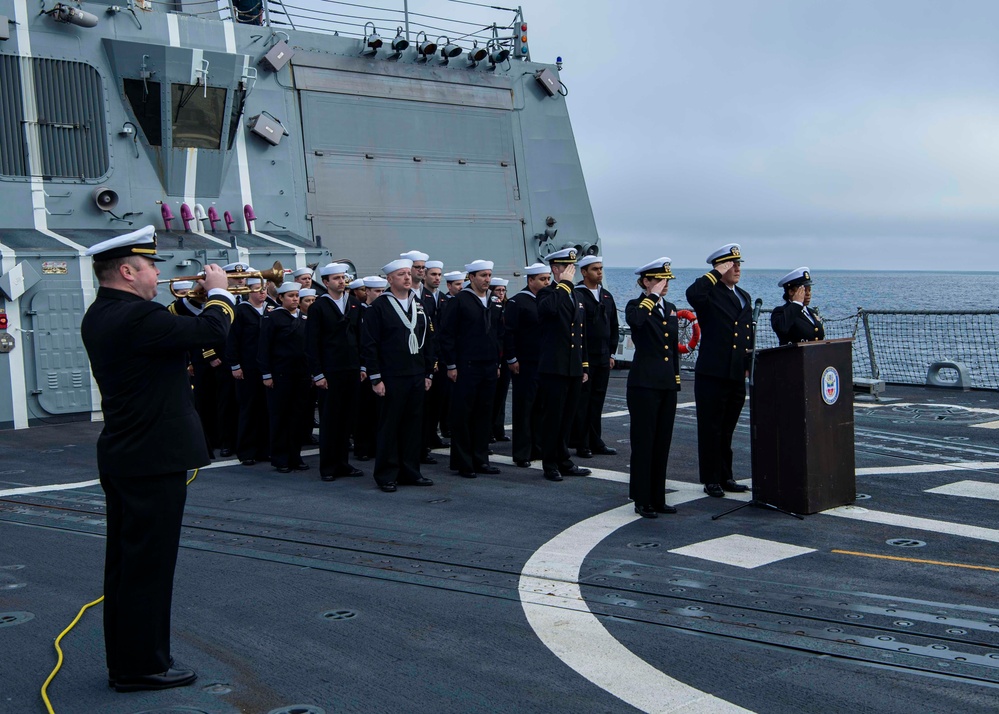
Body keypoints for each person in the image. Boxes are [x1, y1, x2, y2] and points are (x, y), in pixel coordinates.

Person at [80, 225, 235, 692]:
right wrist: (220, 293)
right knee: (148, 568)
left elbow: (175, 336)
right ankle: (141, 666)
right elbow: (211, 330)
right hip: (151, 458)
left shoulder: (103, 313)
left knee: (129, 567)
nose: (158, 275)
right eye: (151, 267)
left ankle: (134, 658)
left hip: (130, 454)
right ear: (127, 271)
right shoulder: (135, 316)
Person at [360, 259, 436, 492]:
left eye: (408, 273)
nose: (406, 277)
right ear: (389, 279)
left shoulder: (418, 304)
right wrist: (375, 377)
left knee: (413, 426)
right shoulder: (379, 307)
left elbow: (429, 340)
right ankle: (386, 474)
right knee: (389, 426)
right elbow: (369, 344)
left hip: (415, 373)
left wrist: (428, 372)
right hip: (391, 376)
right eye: (401, 274)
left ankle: (410, 471)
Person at [685, 243, 753, 498]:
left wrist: (747, 365)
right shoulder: (709, 293)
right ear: (719, 267)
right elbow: (693, 294)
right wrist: (714, 273)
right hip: (712, 373)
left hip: (735, 373)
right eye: (731, 265)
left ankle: (726, 475)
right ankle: (711, 478)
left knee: (727, 429)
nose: (736, 268)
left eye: (738, 264)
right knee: (711, 428)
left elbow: (747, 334)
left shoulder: (743, 295)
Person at [626, 258, 682, 518]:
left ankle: (657, 497)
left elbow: (673, 347)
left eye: (667, 279)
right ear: (646, 281)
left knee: (662, 442)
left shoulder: (669, 308)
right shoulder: (636, 306)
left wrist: (676, 378)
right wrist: (651, 296)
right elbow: (636, 323)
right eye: (659, 279)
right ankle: (641, 498)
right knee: (644, 441)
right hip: (644, 383)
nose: (665, 284)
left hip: (666, 384)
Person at [438, 260, 504, 478]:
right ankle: (463, 462)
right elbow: (446, 334)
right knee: (463, 415)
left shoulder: (492, 302)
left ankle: (480, 459)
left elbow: (497, 335)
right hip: (466, 366)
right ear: (471, 277)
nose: (487, 279)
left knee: (484, 414)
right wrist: (451, 364)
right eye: (483, 275)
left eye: (489, 275)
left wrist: (496, 362)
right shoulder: (460, 301)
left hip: (488, 366)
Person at [536, 248, 591, 482]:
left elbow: (581, 333)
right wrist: (564, 285)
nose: (571, 271)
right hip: (554, 367)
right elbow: (548, 311)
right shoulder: (546, 294)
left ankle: (563, 458)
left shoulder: (577, 296)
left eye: (572, 268)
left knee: (568, 417)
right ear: (555, 269)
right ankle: (549, 463)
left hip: (573, 367)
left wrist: (584, 365)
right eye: (566, 268)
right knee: (553, 417)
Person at [306, 263, 363, 481]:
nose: (341, 281)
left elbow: (360, 337)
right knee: (330, 420)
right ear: (326, 282)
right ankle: (328, 467)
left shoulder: (354, 304)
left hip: (351, 369)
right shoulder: (318, 307)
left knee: (347, 419)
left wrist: (363, 366)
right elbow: (312, 343)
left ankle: (343, 463)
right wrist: (318, 374)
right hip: (330, 371)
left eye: (343, 277)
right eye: (336, 278)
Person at [259, 282, 311, 473]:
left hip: (301, 374)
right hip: (280, 373)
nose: (295, 299)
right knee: (280, 416)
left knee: (298, 417)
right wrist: (266, 374)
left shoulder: (304, 318)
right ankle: (281, 458)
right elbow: (264, 347)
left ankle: (295, 456)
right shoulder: (273, 318)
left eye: (297, 295)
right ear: (281, 298)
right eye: (290, 296)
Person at [572, 255, 619, 458]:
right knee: (583, 401)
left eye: (600, 268)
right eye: (594, 269)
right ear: (584, 272)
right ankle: (581, 443)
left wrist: (611, 352)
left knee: (597, 400)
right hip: (585, 356)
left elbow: (614, 325)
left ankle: (595, 440)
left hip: (602, 356)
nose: (599, 272)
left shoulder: (606, 296)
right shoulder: (577, 295)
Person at [503, 264, 550, 467]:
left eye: (548, 279)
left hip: (543, 362)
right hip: (525, 363)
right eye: (542, 279)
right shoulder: (518, 302)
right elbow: (509, 332)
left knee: (540, 407)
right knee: (524, 408)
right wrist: (511, 359)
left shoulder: (547, 301)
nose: (547, 283)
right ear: (530, 280)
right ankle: (522, 453)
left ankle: (537, 448)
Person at [226, 276, 271, 466]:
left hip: (265, 367)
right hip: (247, 366)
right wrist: (235, 365)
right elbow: (232, 339)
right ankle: (246, 451)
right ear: (248, 292)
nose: (262, 292)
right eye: (257, 289)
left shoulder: (271, 311)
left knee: (265, 408)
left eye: (264, 289)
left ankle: (264, 449)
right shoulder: (241, 311)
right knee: (248, 408)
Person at [354, 276, 387, 462]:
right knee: (364, 409)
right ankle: (363, 447)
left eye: (383, 291)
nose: (380, 294)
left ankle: (376, 445)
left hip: (380, 364)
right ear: (367, 292)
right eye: (376, 291)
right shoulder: (360, 310)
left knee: (379, 409)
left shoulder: (383, 309)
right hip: (363, 366)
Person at [771, 267, 825, 345]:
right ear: (791, 292)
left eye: (809, 290)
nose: (808, 294)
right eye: (803, 290)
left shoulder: (811, 313)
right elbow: (782, 328)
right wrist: (796, 303)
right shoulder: (780, 312)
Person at [489, 277, 512, 442]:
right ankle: (488, 430)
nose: (501, 293)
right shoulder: (491, 308)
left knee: (501, 395)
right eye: (498, 290)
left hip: (505, 358)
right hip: (494, 357)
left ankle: (499, 429)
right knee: (491, 396)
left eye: (503, 290)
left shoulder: (508, 307)